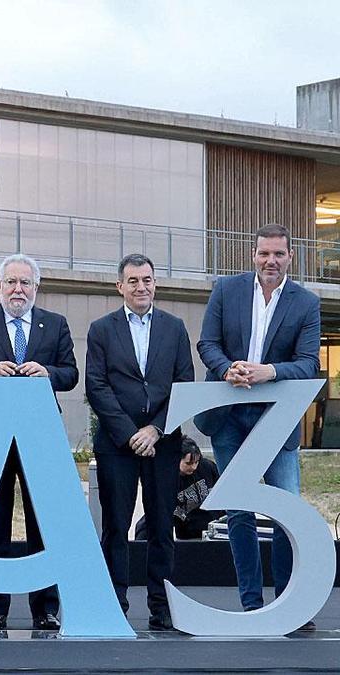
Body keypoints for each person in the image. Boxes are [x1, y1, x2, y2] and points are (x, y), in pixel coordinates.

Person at [196, 222, 320, 630]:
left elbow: (309, 363)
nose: (271, 261)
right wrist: (225, 368)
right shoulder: (226, 290)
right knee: (239, 512)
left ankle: (287, 605)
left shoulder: (306, 303)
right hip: (228, 416)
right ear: (253, 255)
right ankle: (252, 605)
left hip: (276, 418)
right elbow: (207, 343)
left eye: (279, 254)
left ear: (290, 257)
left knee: (288, 512)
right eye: (264, 253)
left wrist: (270, 371)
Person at [0, 253, 78, 631]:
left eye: (25, 282)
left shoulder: (55, 324)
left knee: (44, 521)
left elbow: (71, 374)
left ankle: (46, 608)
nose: (18, 289)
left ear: (36, 287)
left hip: (41, 436)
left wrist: (48, 372)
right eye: (11, 282)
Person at [85, 253, 195, 631]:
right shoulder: (101, 329)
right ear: (120, 286)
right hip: (117, 444)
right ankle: (114, 603)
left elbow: (183, 383)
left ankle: (161, 606)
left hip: (163, 444)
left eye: (147, 279)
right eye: (133, 281)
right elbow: (96, 386)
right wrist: (131, 432)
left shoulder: (175, 328)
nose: (141, 287)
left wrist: (156, 429)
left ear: (155, 283)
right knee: (115, 526)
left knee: (162, 526)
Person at [173, 438, 223, 541]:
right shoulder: (168, 480)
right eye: (188, 463)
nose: (193, 467)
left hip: (215, 531)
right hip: (187, 537)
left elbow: (222, 492)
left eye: (196, 462)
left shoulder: (207, 467)